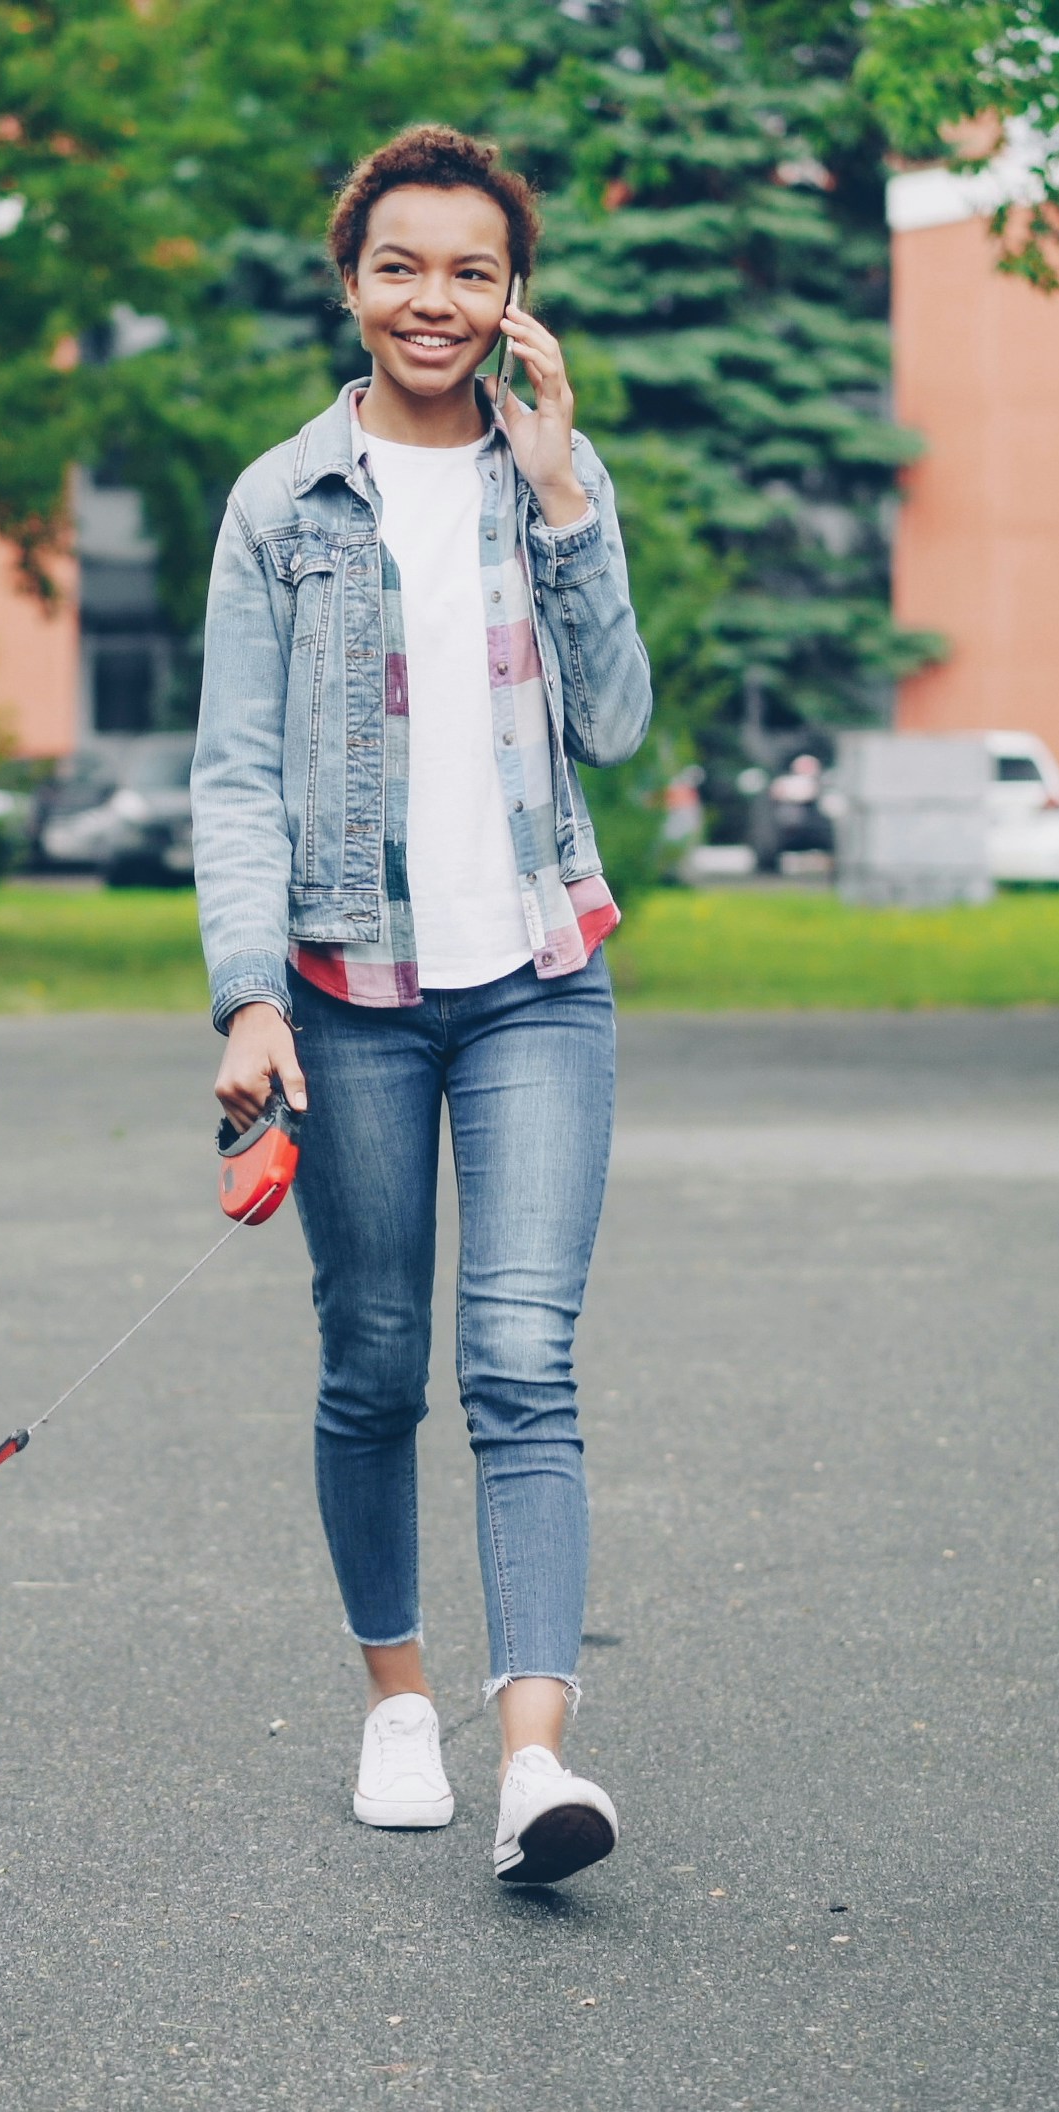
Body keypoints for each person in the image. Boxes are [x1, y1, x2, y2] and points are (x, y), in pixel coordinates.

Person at [189, 124, 652, 1886]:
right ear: (351, 283)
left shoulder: (554, 478)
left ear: (514, 295)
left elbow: (617, 723)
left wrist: (565, 494)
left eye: (471, 270)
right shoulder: (280, 505)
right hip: (347, 997)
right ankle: (399, 1701)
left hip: (538, 986)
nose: (433, 300)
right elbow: (235, 778)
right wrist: (249, 999)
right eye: (401, 266)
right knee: (374, 1363)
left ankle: (534, 1760)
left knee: (521, 1363)